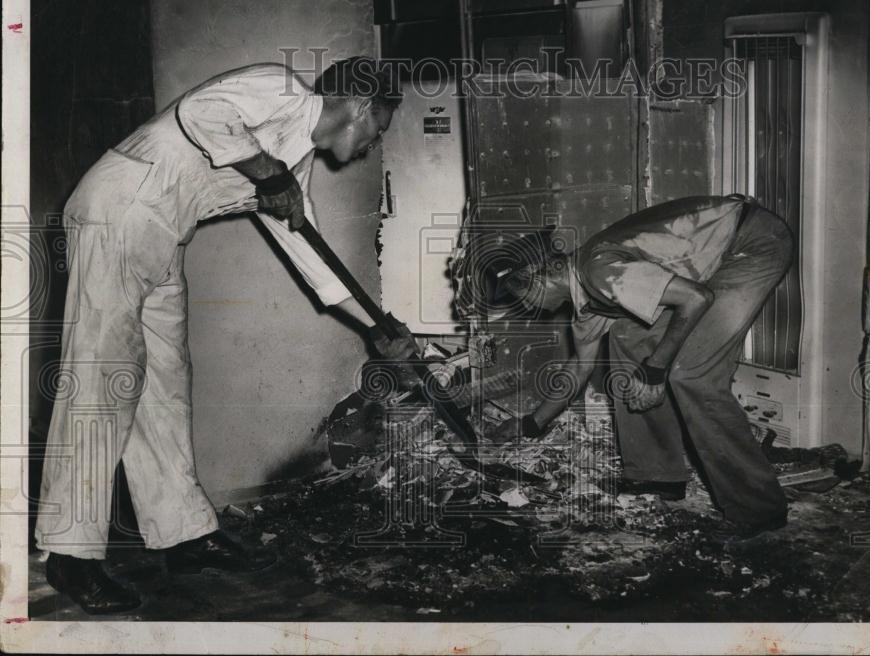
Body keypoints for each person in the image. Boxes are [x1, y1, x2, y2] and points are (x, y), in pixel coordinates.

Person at [35, 57, 414, 614]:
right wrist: (270, 172)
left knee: (164, 385)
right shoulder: (279, 88)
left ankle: (184, 534)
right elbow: (201, 112)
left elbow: (320, 269)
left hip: (163, 231)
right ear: (360, 107)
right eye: (377, 129)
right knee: (103, 379)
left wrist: (380, 328)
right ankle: (70, 556)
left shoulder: (294, 168)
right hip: (118, 211)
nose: (367, 147)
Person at [491, 194, 793, 536]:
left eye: (525, 299)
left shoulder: (599, 270)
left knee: (691, 374)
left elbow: (696, 299)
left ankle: (759, 510)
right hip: (717, 258)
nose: (533, 309)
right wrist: (530, 424)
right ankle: (657, 475)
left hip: (751, 244)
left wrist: (654, 372)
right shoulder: (587, 301)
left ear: (541, 277)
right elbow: (580, 367)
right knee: (626, 336)